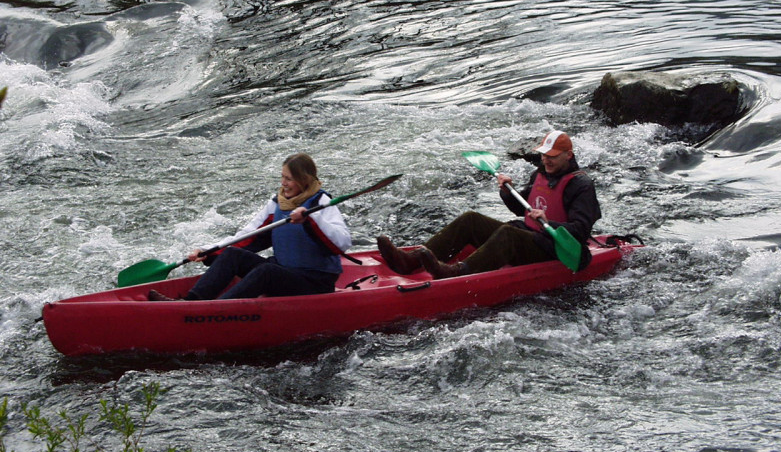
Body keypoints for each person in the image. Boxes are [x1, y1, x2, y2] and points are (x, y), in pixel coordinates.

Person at [377, 131, 601, 278]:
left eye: (552, 155)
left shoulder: (581, 184)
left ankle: (455, 273)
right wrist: (507, 192)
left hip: (554, 248)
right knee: (471, 219)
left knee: (507, 233)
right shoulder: (541, 173)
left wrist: (547, 222)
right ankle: (411, 261)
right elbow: (521, 208)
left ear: (568, 155)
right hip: (531, 235)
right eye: (544, 155)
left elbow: (581, 232)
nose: (546, 159)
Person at [149, 153, 351, 301]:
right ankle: (190, 304)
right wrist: (209, 251)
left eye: (288, 179)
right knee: (232, 255)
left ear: (303, 180)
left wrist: (310, 219)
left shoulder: (322, 202)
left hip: (314, 282)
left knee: (267, 271)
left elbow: (341, 244)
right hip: (285, 273)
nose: (283, 183)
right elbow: (247, 236)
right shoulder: (277, 204)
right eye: (282, 177)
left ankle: (214, 311)